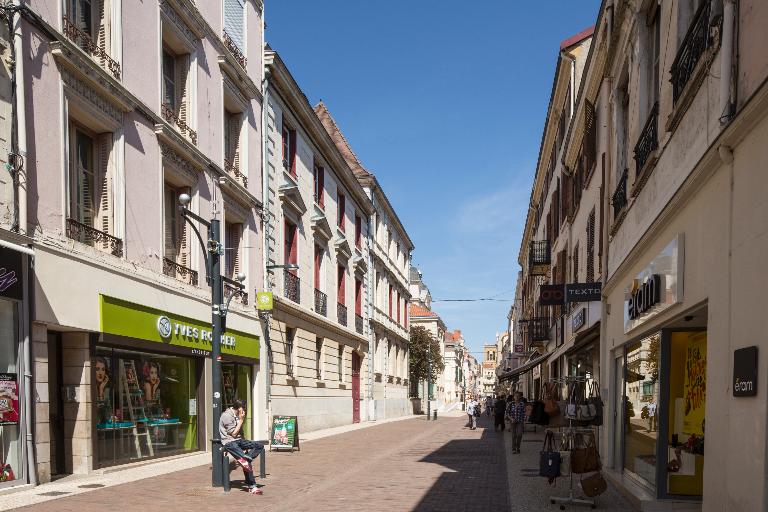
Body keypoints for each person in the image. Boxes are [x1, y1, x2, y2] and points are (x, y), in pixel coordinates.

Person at [219, 398, 264, 495]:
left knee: (259, 445)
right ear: (239, 408)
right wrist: (241, 420)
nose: (245, 409)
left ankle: (246, 459)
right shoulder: (227, 416)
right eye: (243, 407)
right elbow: (234, 434)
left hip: (239, 441)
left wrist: (245, 444)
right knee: (246, 462)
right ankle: (252, 486)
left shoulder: (237, 415)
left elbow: (240, 433)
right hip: (229, 442)